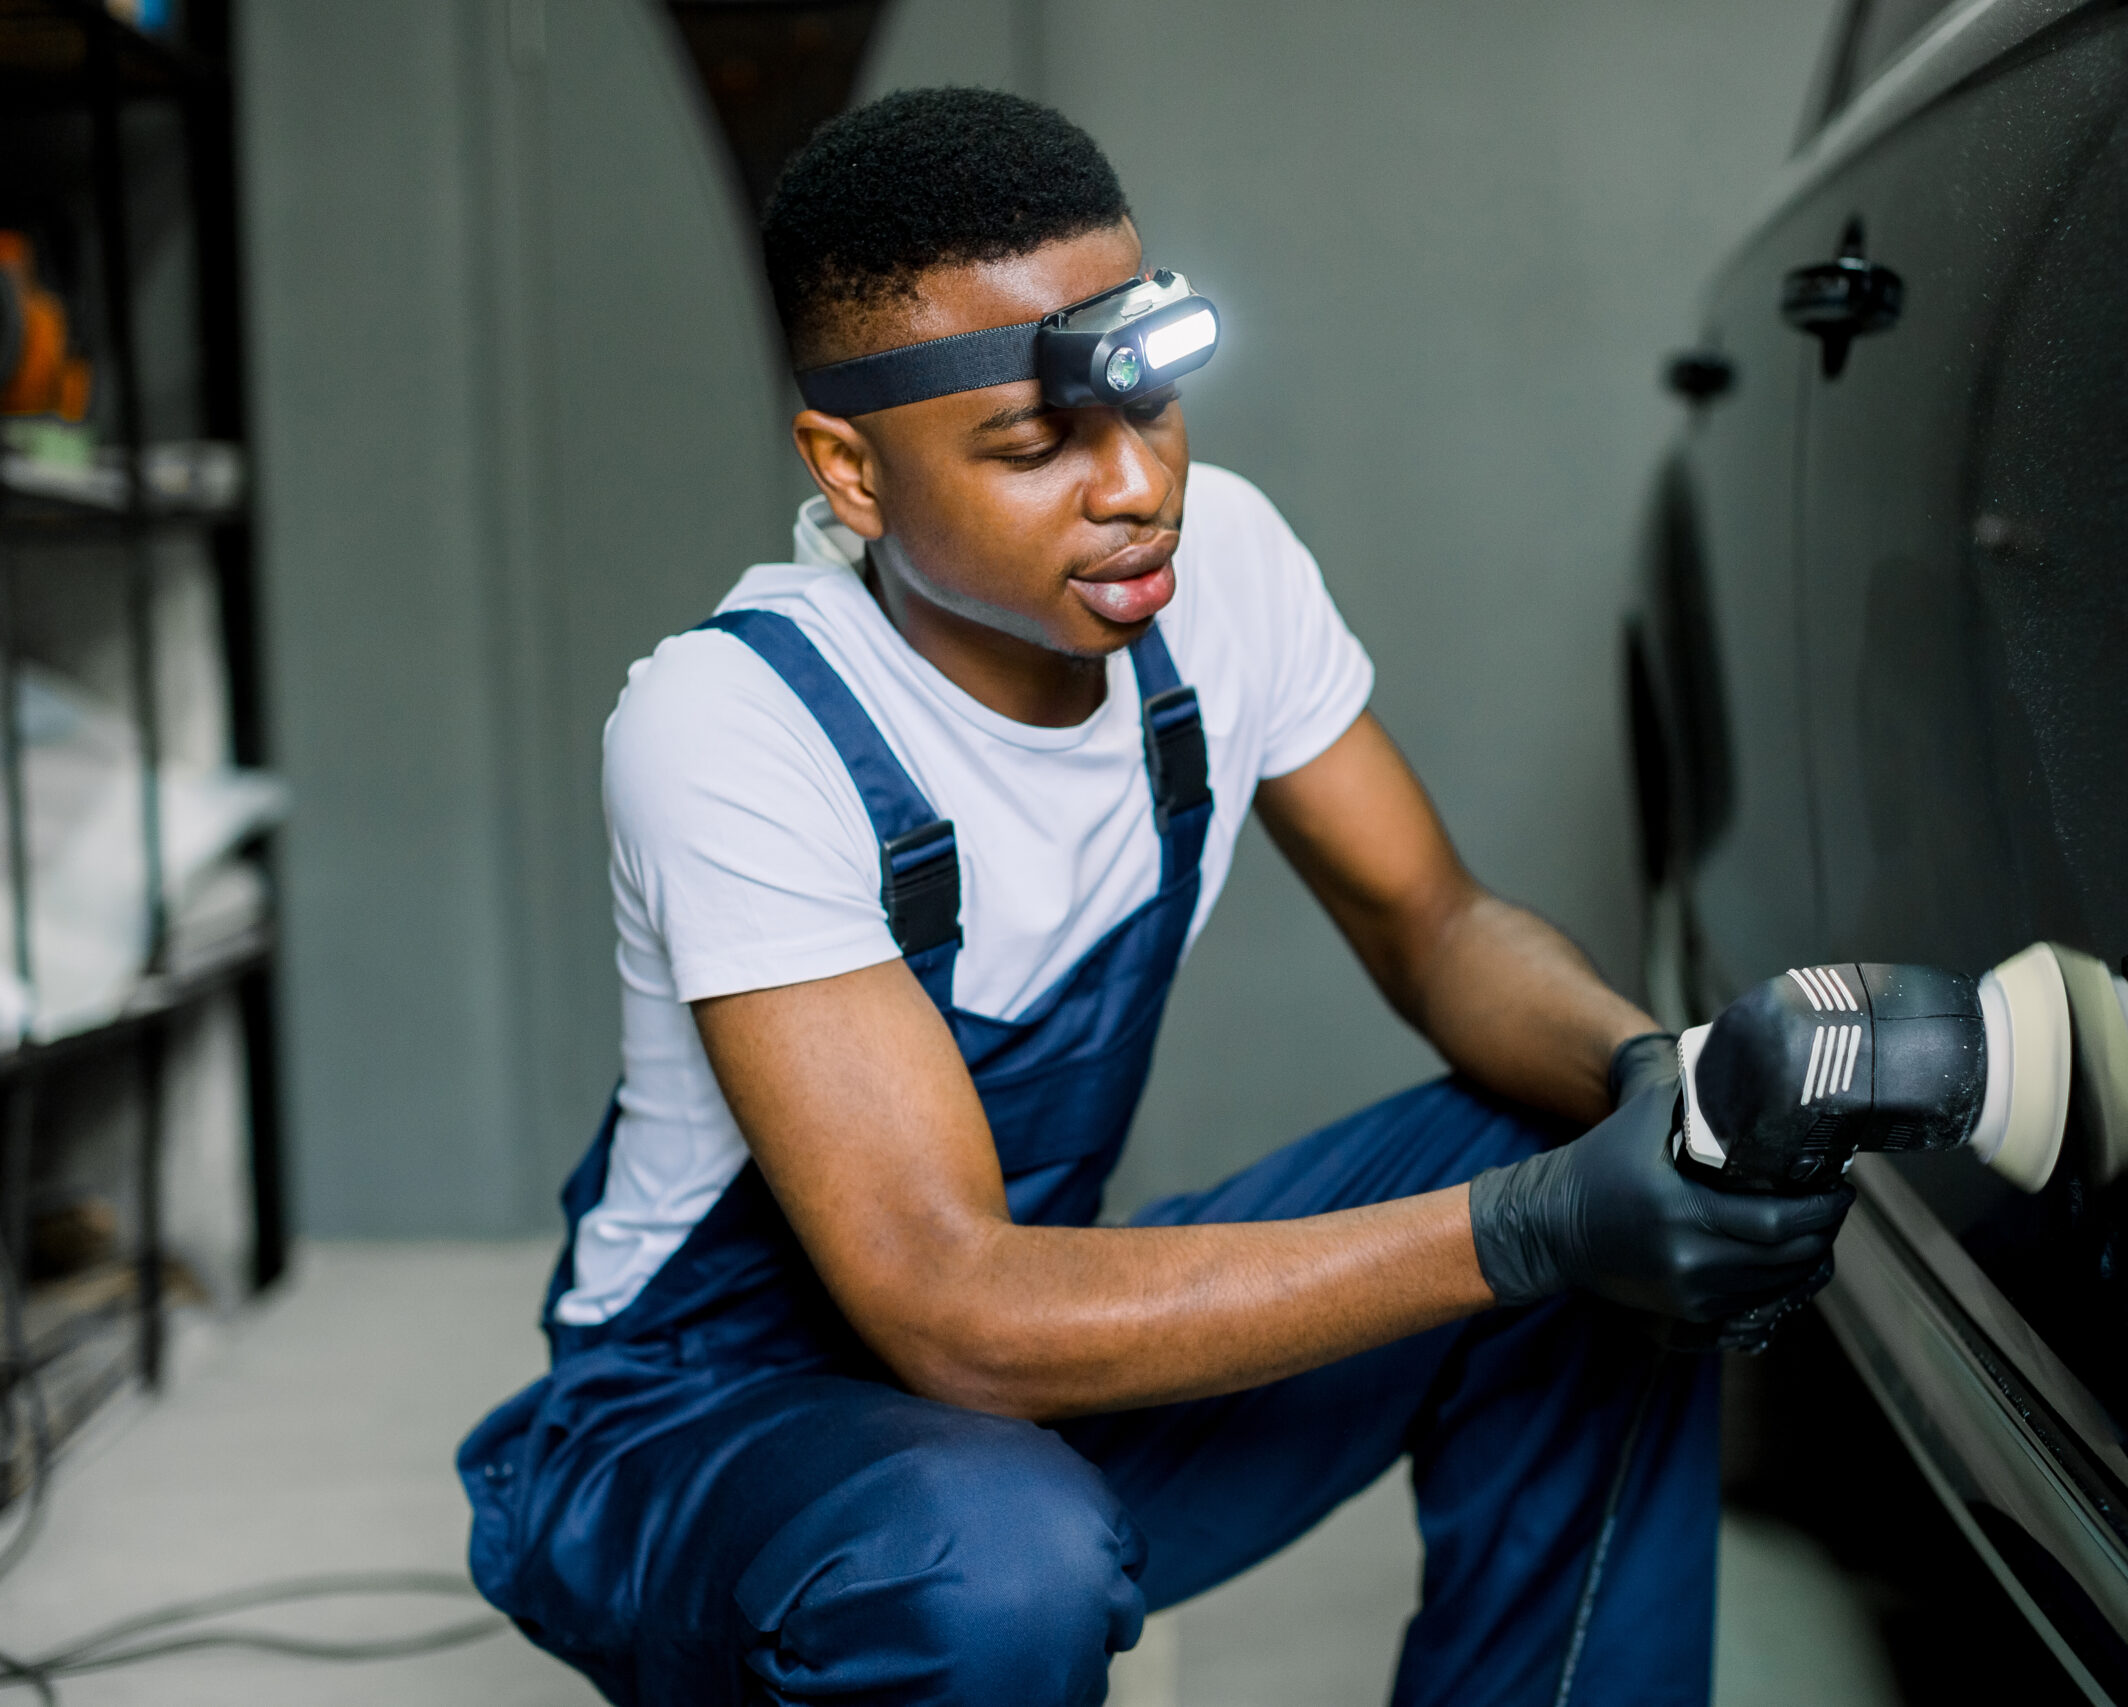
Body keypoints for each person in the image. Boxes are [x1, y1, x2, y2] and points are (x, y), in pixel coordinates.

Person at [458, 88, 1851, 1707]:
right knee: (991, 1567)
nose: (1138, 487)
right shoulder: (733, 726)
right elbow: (950, 1306)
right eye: (1037, 445)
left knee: (1589, 1161)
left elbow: (1439, 924)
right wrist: (1527, 1230)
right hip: (706, 1436)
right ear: (850, 470)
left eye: (1154, 406)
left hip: (1008, 1388)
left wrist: (1656, 1088)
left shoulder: (1224, 572)